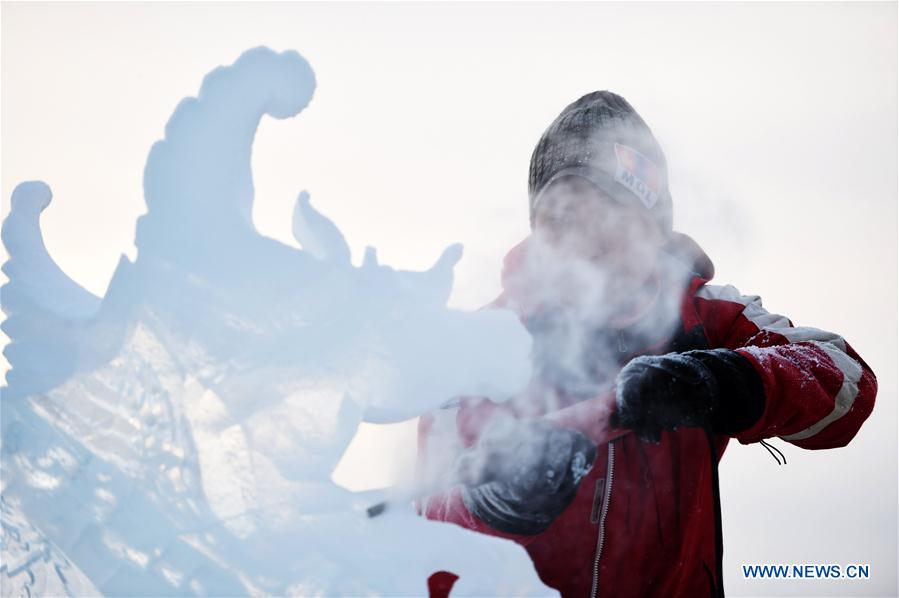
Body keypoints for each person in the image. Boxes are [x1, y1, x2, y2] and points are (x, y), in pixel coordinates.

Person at [415, 91, 877, 598]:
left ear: (652, 230)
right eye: (562, 216)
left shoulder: (707, 317)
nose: (584, 239)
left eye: (609, 216)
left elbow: (846, 384)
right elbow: (429, 521)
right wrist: (498, 503)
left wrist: (724, 379)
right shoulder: (481, 346)